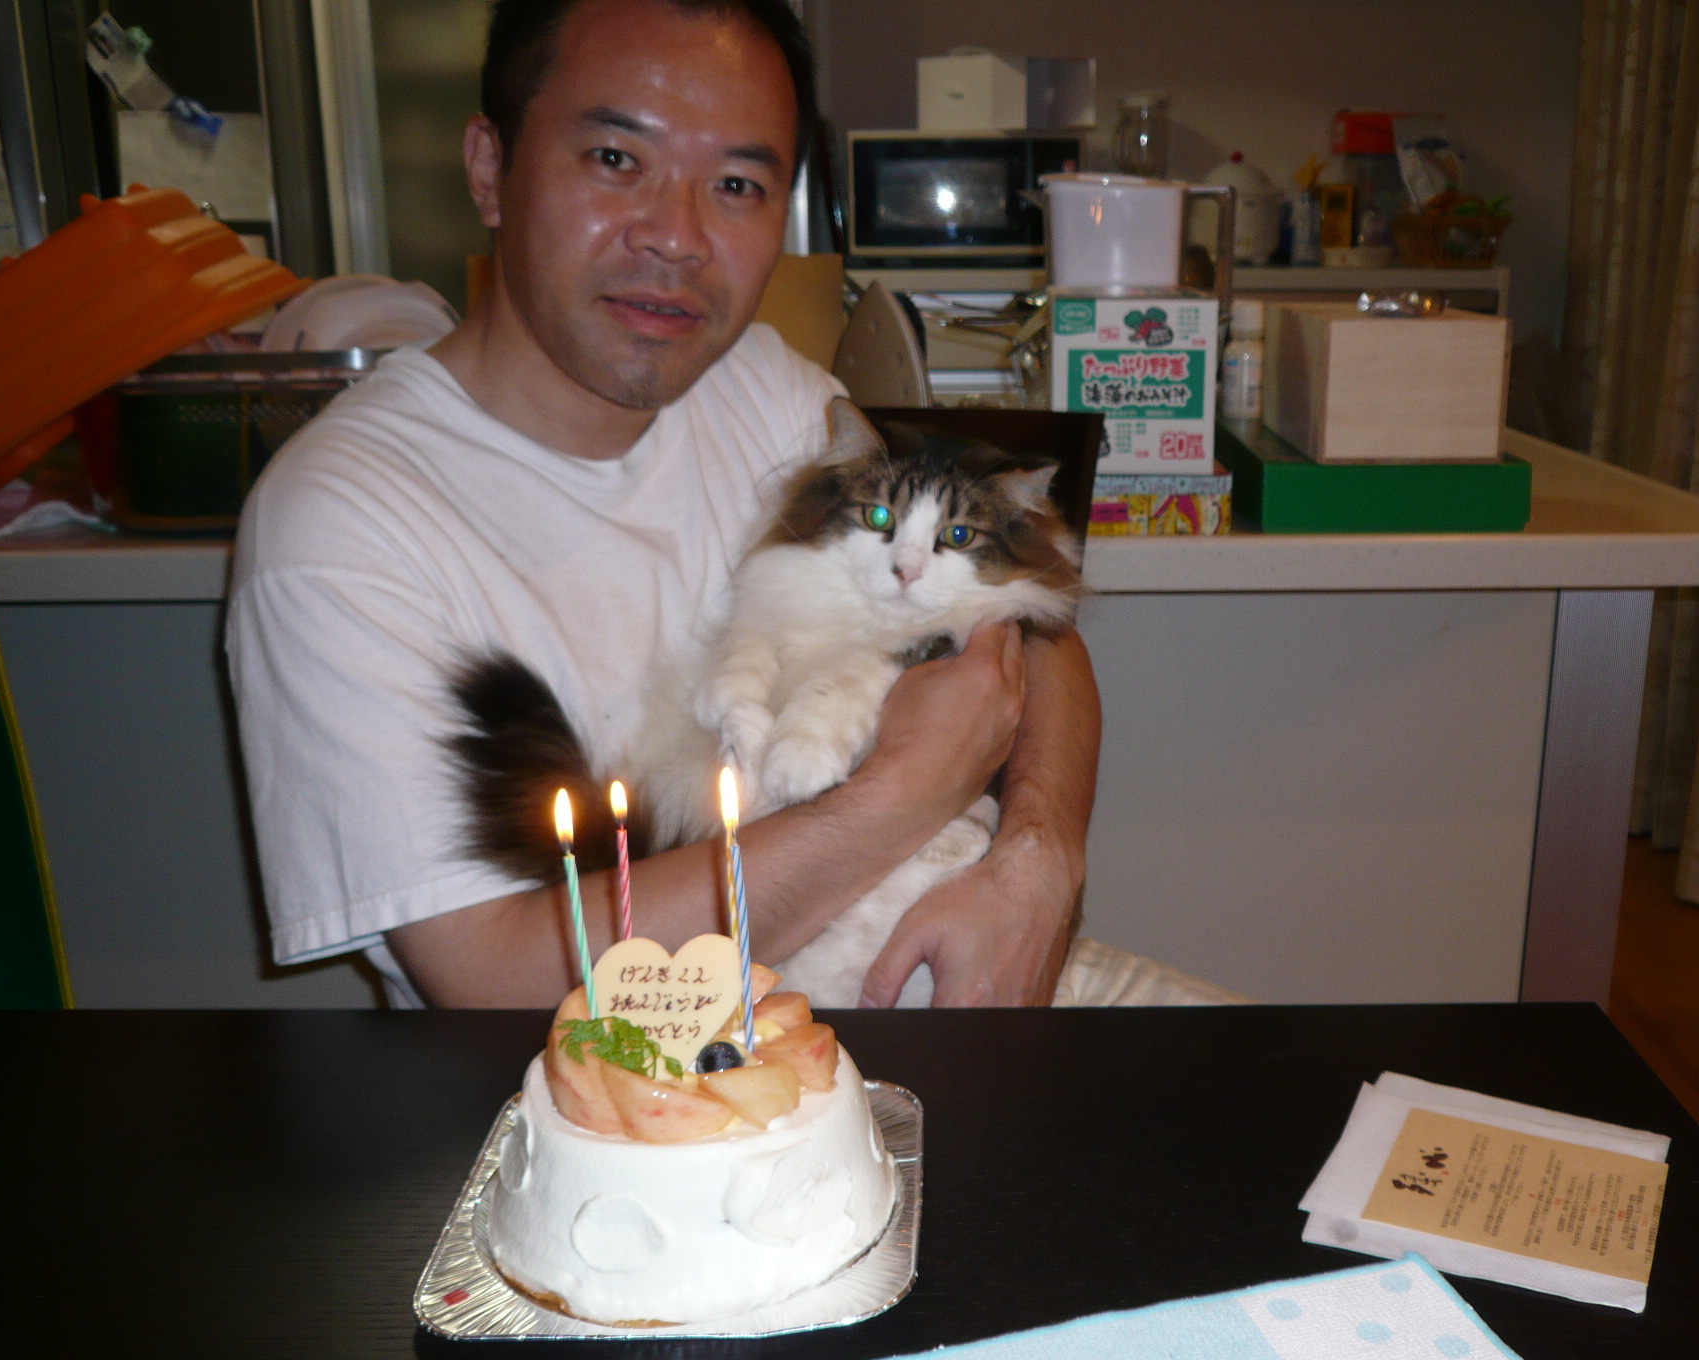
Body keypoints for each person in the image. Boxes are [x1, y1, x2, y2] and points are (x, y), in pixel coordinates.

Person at [227, 0, 1112, 1009]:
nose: (677, 238)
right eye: (615, 159)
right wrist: (902, 794)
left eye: (735, 185)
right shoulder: (341, 521)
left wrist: (1040, 864)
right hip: (613, 1077)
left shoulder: (762, 387)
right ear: (489, 167)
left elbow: (1034, 633)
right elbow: (489, 978)